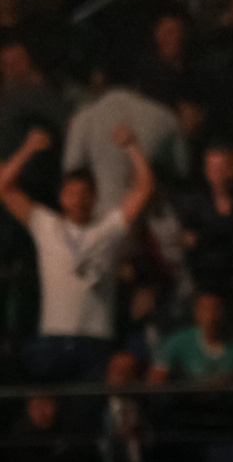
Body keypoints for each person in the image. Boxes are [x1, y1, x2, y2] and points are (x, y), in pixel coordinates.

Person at [1, 123, 154, 382]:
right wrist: (28, 149)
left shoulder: (108, 228)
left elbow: (144, 189)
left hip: (96, 340)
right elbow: (5, 187)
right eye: (70, 192)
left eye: (85, 193)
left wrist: (132, 147)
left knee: (89, 412)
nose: (77, 198)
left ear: (94, 197)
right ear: (61, 197)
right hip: (54, 337)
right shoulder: (45, 224)